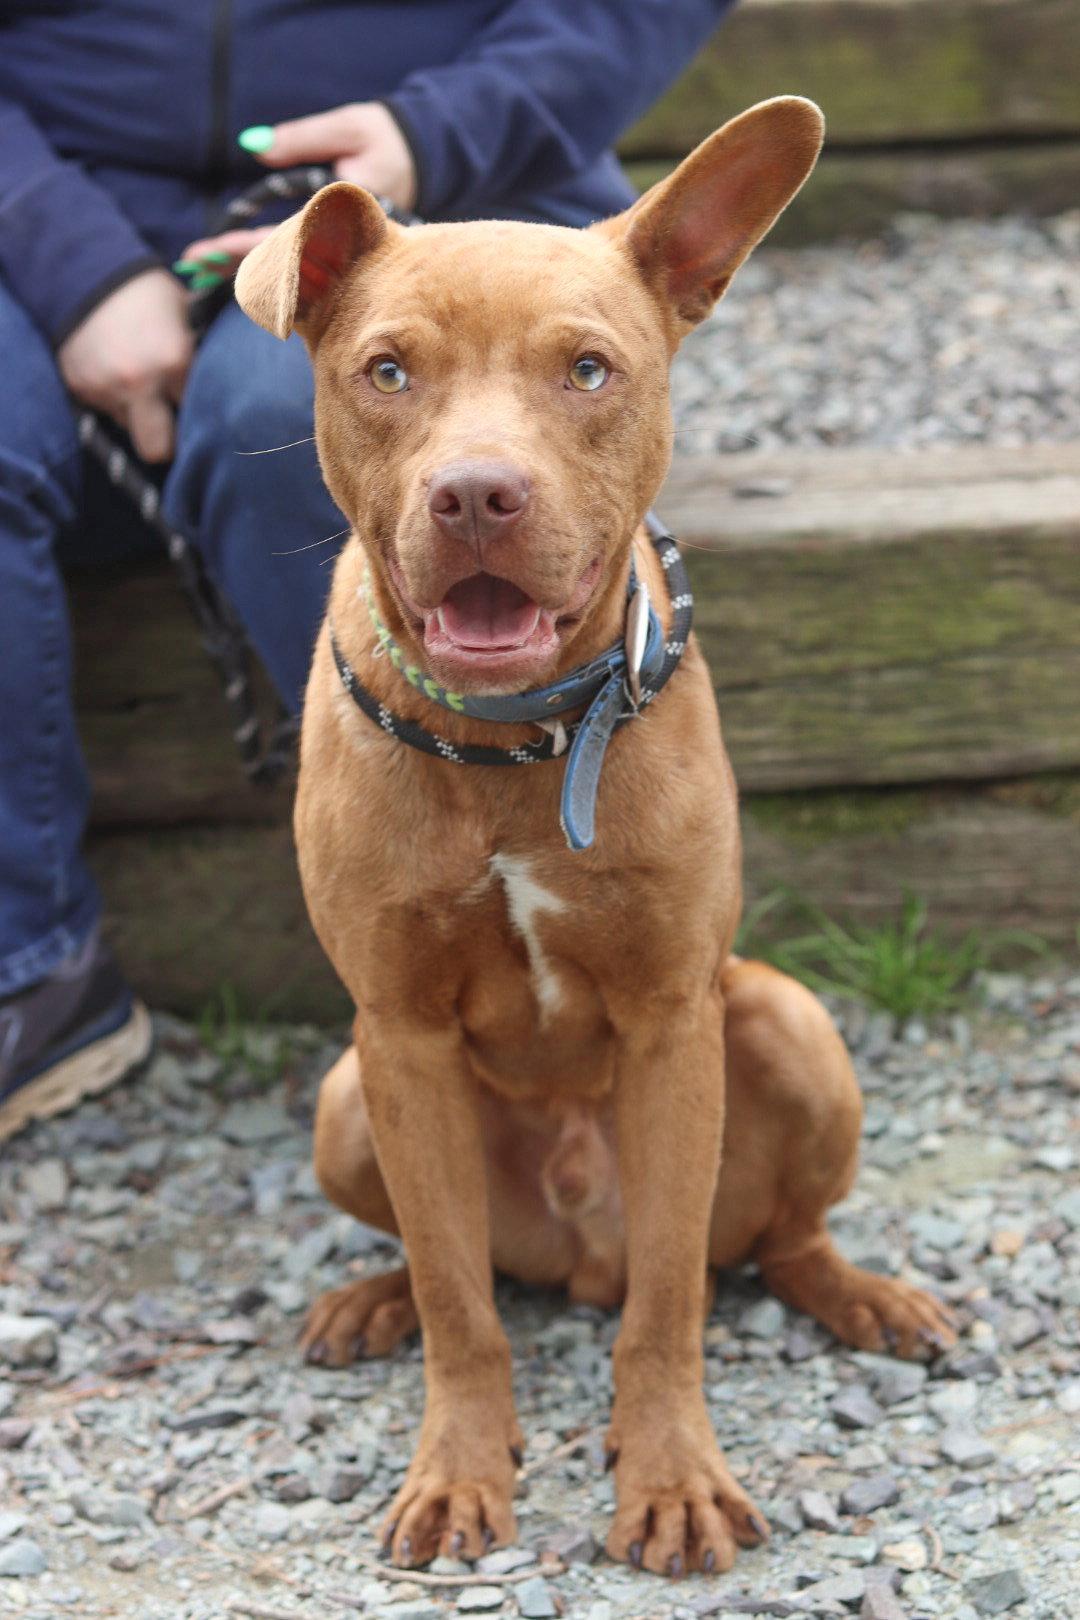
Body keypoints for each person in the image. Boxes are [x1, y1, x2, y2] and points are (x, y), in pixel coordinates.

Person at [0, 0, 736, 1140]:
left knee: (268, 429)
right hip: (60, 194)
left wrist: (437, 128)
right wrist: (68, 252)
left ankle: (586, 906)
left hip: (469, 176)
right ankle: (37, 963)